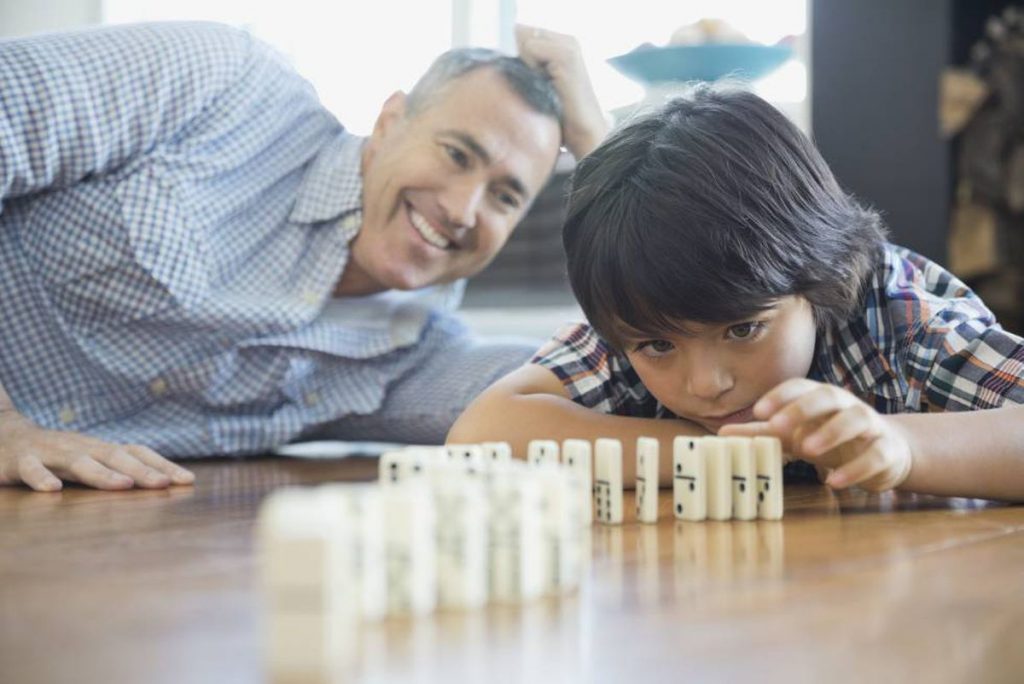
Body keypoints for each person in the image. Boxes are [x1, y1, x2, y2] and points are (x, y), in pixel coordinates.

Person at [0, 21, 608, 492]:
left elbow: (634, 375)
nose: (462, 208)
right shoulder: (225, 86)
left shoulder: (411, 354)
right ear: (389, 123)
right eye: (455, 154)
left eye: (505, 196)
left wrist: (604, 155)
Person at [449, 86, 1024, 501]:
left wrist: (901, 447)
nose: (707, 385)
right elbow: (479, 437)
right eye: (658, 348)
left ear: (816, 277)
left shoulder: (898, 318)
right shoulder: (644, 307)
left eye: (743, 329)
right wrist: (725, 451)